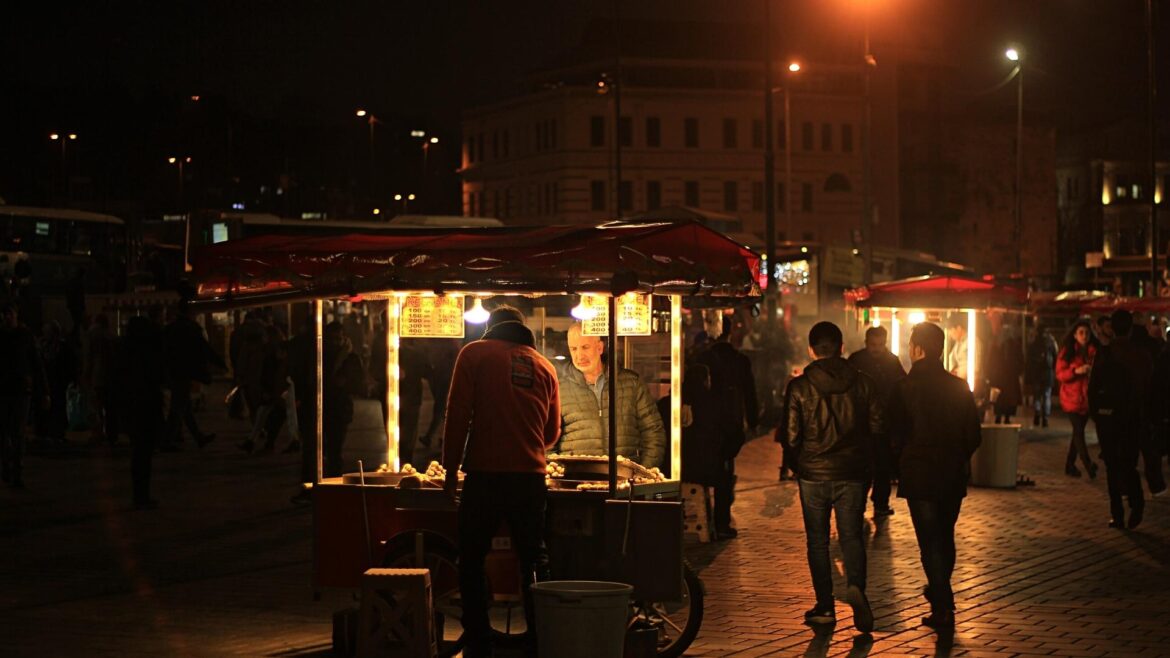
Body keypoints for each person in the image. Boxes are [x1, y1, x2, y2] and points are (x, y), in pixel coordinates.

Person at [442, 306, 560, 658]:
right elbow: (551, 434)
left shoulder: (474, 354)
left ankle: (480, 642)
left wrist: (450, 471)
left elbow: (458, 413)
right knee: (534, 559)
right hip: (530, 478)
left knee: (473, 557)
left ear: (491, 327)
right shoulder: (545, 366)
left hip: (485, 475)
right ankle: (542, 640)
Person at [782, 321, 880, 633]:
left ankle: (824, 606)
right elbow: (878, 428)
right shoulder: (864, 384)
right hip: (852, 473)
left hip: (813, 474)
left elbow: (791, 435)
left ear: (811, 349)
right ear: (841, 347)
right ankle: (856, 588)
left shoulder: (799, 387)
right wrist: (866, 463)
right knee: (851, 536)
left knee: (818, 541)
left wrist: (800, 464)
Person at [887, 322, 982, 631]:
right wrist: (959, 456)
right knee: (945, 534)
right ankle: (941, 595)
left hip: (919, 471)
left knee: (929, 541)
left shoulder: (904, 387)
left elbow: (894, 432)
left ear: (917, 349)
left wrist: (898, 460)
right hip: (951, 471)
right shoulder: (958, 386)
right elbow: (973, 434)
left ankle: (943, 602)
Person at [555, 324, 666, 468]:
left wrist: (642, 473)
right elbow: (547, 441)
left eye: (585, 347)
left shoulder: (631, 382)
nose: (579, 356)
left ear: (600, 347)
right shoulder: (558, 387)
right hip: (576, 480)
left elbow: (654, 433)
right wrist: (560, 475)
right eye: (574, 349)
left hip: (625, 481)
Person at [693, 315, 759, 538]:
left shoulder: (701, 358)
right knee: (725, 470)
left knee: (707, 468)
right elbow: (749, 392)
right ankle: (721, 523)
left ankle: (705, 517)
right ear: (730, 333)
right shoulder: (740, 360)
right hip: (731, 423)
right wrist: (753, 420)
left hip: (704, 422)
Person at [1088, 310, 1152, 528]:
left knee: (1112, 465)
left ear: (1112, 328)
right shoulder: (1141, 355)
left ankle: (1117, 513)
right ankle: (1136, 502)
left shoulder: (1105, 353)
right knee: (1129, 463)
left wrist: (1096, 415)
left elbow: (1093, 387)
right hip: (1133, 417)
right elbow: (1149, 388)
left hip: (1109, 417)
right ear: (1131, 328)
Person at [848, 325, 906, 518]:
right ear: (866, 343)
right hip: (863, 423)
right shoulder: (857, 361)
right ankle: (863, 503)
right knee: (865, 466)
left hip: (882, 422)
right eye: (874, 344)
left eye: (880, 344)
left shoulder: (891, 361)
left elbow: (899, 388)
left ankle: (879, 503)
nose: (877, 349)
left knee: (882, 466)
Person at [0, 301, 49, 488]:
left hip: (20, 390)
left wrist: (44, 391)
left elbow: (36, 363)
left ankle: (16, 468)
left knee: (17, 431)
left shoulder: (24, 336)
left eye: (9, 313)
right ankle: (8, 465)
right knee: (5, 431)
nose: (7, 317)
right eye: (4, 314)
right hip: (6, 390)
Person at [162, 301, 223, 450]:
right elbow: (203, 348)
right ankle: (167, 440)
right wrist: (219, 363)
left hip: (174, 371)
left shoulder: (170, 329)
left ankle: (197, 436)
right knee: (178, 407)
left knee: (184, 406)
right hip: (185, 371)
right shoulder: (191, 328)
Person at [119, 315, 166, 509]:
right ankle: (141, 495)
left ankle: (139, 494)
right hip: (146, 405)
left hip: (132, 406)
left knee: (138, 452)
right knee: (143, 453)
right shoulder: (147, 351)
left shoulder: (125, 351)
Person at [321, 320, 365, 477]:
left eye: (338, 339)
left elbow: (358, 383)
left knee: (335, 448)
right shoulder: (321, 355)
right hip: (323, 406)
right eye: (331, 339)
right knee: (322, 448)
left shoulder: (350, 357)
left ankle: (333, 479)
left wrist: (344, 381)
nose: (335, 343)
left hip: (340, 408)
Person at [1055, 320, 1099, 479]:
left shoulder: (1094, 352)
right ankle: (1088, 463)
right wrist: (1077, 370)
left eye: (1087, 333)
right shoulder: (1067, 352)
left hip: (1087, 400)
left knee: (1077, 432)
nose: (1084, 336)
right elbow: (1060, 374)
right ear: (1074, 335)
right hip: (1071, 399)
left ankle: (1069, 464)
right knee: (1079, 432)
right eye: (1081, 332)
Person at [35, 321, 77, 444]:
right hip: (48, 382)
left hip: (58, 382)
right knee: (48, 408)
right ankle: (47, 432)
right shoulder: (44, 346)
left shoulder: (60, 347)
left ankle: (56, 432)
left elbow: (69, 364)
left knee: (57, 407)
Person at [987, 325, 1024, 424]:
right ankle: (1007, 417)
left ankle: (998, 416)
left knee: (1000, 398)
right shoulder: (1015, 346)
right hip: (1011, 377)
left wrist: (990, 374)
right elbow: (1020, 361)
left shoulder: (997, 345)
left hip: (999, 377)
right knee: (1009, 399)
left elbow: (991, 361)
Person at [1025, 325, 1058, 428]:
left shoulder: (1033, 343)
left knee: (1037, 396)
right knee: (1047, 395)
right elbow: (1056, 356)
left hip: (1036, 373)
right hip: (1048, 372)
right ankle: (1045, 418)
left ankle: (1037, 413)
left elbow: (1029, 360)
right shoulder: (1051, 343)